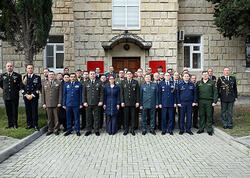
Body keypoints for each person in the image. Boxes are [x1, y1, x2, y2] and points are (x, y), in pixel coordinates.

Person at [0, 62, 22, 129]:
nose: (9, 67)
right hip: (6, 96)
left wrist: (15, 90)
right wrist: (6, 89)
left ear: (13, 67)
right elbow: (1, 84)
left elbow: (20, 85)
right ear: (6, 67)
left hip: (14, 96)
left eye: (11, 66)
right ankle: (10, 124)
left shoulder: (17, 75)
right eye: (8, 66)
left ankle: (15, 124)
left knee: (14, 110)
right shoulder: (3, 75)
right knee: (8, 111)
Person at [196, 71, 218, 136]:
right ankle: (201, 129)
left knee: (209, 115)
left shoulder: (212, 82)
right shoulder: (198, 83)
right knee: (201, 115)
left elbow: (215, 93)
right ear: (202, 75)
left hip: (209, 101)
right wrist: (196, 101)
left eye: (206, 74)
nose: (205, 76)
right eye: (204, 75)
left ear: (208, 75)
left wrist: (215, 101)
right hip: (201, 101)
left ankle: (209, 129)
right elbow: (196, 93)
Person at [21, 64, 41, 131]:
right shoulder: (24, 77)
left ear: (33, 69)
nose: (30, 69)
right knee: (28, 111)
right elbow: (22, 88)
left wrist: (32, 95)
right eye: (29, 68)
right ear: (26, 69)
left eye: (31, 68)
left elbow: (38, 87)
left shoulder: (37, 77)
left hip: (34, 97)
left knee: (34, 111)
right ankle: (29, 124)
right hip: (26, 97)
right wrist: (26, 95)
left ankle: (35, 125)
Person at [42, 71, 62, 136]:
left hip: (56, 103)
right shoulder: (44, 83)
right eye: (50, 75)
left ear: (54, 75)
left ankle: (56, 129)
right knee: (49, 118)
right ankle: (50, 129)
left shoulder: (58, 83)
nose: (51, 76)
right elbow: (43, 94)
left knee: (56, 117)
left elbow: (60, 94)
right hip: (47, 103)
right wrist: (43, 103)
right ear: (47, 75)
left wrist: (59, 102)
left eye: (52, 74)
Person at [83, 71, 104, 136]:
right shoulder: (86, 83)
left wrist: (101, 101)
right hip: (88, 103)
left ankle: (96, 130)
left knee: (96, 117)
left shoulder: (99, 82)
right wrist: (84, 102)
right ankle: (89, 130)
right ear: (89, 75)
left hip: (97, 103)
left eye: (93, 74)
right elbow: (84, 94)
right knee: (88, 117)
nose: (92, 75)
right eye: (91, 74)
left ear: (95, 75)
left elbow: (101, 93)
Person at [120, 71, 140, 136]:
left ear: (132, 75)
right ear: (125, 75)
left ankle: (132, 129)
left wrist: (137, 102)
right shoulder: (123, 82)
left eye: (130, 74)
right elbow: (121, 93)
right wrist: (122, 101)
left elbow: (137, 93)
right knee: (126, 117)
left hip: (133, 103)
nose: (129, 75)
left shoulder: (135, 82)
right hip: (125, 103)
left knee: (133, 117)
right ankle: (126, 129)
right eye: (127, 74)